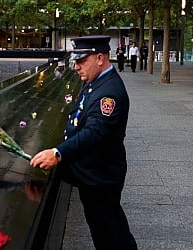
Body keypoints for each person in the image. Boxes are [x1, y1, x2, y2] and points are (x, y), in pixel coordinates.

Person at [30, 35, 138, 250]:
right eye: (75, 62)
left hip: (100, 174)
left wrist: (58, 153)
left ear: (100, 58)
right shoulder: (96, 81)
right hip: (91, 168)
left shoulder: (110, 93)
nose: (76, 67)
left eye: (81, 61)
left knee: (108, 234)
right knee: (109, 228)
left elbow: (95, 132)